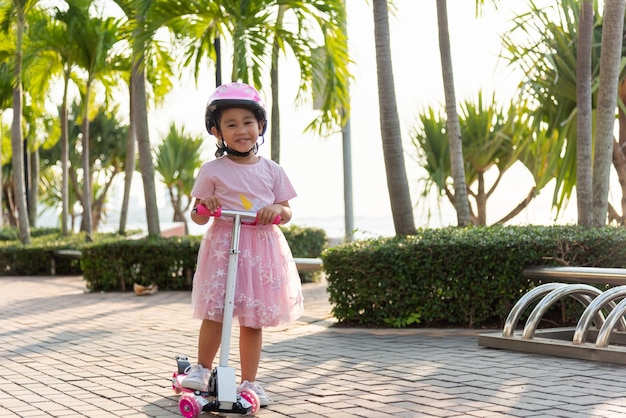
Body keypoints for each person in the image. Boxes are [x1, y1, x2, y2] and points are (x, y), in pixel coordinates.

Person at [181, 82, 304, 406]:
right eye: (231, 124)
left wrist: (276, 210)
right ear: (217, 131)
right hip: (224, 244)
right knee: (216, 310)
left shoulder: (272, 171)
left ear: (260, 125)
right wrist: (204, 206)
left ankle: (250, 381)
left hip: (260, 248)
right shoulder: (212, 170)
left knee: (253, 319)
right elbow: (197, 215)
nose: (241, 130)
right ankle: (203, 368)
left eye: (247, 122)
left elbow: (287, 211)